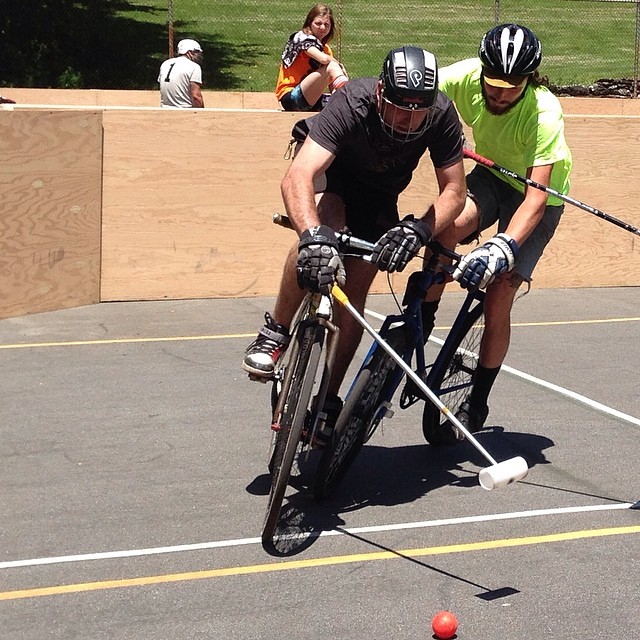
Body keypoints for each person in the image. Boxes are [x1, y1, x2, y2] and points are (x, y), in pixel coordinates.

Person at [244, 46, 467, 444]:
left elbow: (454, 191)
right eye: (400, 108)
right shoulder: (352, 101)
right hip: (333, 172)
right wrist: (312, 236)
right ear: (381, 92)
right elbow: (297, 177)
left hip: (379, 193)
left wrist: (418, 229)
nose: (408, 120)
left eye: (419, 112)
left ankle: (328, 398)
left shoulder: (440, 114)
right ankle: (276, 330)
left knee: (357, 285)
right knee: (321, 236)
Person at [426, 23, 573, 443]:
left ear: (530, 79)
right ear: (483, 72)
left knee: (500, 290)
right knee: (447, 226)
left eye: (512, 87)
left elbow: (535, 200)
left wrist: (502, 246)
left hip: (536, 198)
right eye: (493, 84)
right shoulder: (466, 76)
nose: (500, 94)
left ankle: (479, 397)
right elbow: (412, 86)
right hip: (492, 175)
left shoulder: (544, 112)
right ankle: (425, 312)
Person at [276, 4, 349, 112]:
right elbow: (323, 59)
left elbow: (331, 83)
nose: (322, 28)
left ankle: (347, 100)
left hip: (312, 98)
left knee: (340, 107)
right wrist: (338, 65)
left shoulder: (326, 49)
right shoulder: (301, 38)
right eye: (318, 23)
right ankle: (349, 96)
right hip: (291, 98)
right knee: (332, 66)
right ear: (309, 23)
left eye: (326, 24)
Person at [158, 39, 205, 108]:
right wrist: (201, 113)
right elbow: (196, 96)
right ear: (189, 52)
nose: (199, 55)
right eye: (196, 52)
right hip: (185, 110)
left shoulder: (165, 63)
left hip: (164, 109)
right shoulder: (194, 67)